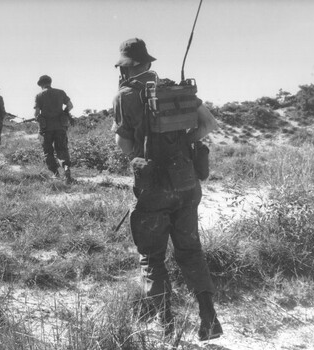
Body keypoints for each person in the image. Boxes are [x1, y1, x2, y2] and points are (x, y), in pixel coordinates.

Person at [111, 38, 222, 341]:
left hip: (153, 188)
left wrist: (139, 152)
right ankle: (209, 317)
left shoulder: (126, 95)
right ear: (148, 62)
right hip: (187, 183)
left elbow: (122, 142)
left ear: (130, 65)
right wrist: (185, 144)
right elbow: (209, 123)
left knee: (151, 256)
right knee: (190, 251)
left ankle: (166, 323)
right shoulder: (176, 90)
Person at [33, 75, 74, 184]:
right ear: (50, 82)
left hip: (46, 129)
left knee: (48, 151)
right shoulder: (60, 92)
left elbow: (36, 113)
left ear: (41, 85)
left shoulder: (39, 95)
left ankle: (55, 174)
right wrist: (64, 113)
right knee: (62, 149)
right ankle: (66, 168)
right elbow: (70, 105)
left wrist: (39, 118)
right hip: (60, 127)